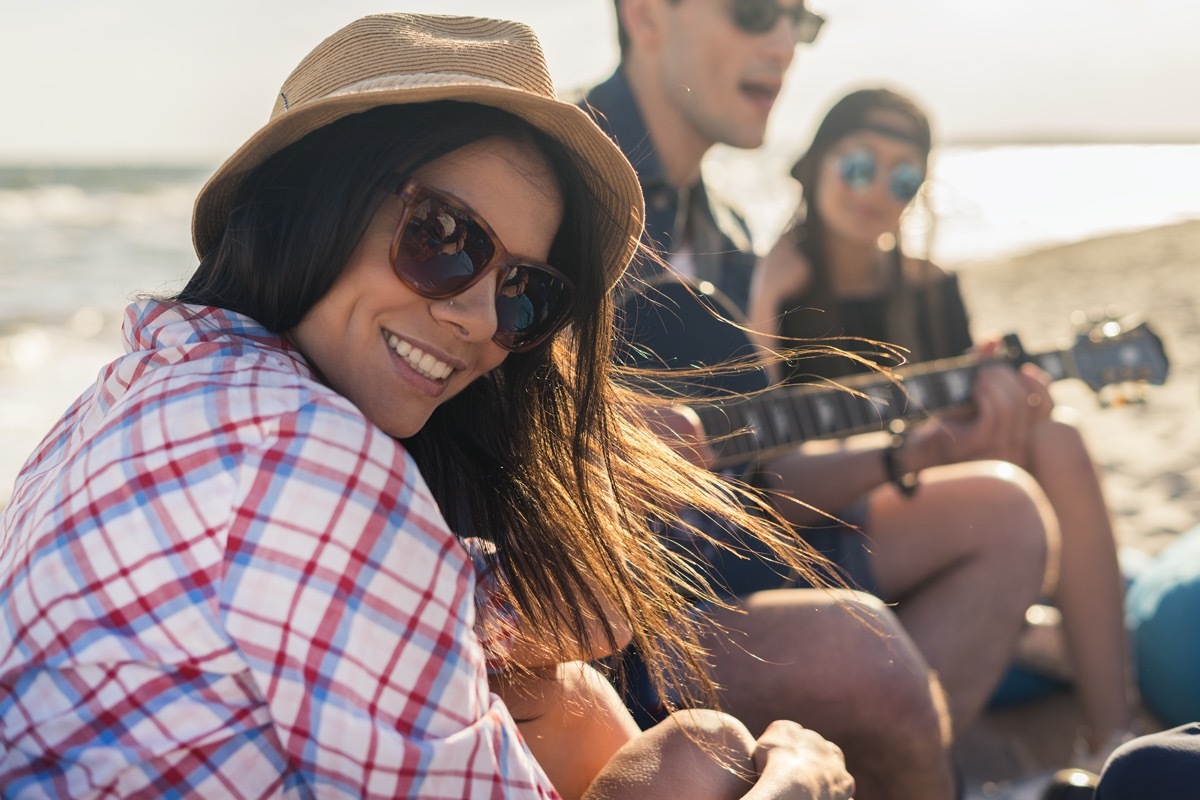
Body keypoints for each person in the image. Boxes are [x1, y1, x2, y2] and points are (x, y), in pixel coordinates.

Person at [0, 14, 856, 799]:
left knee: (564, 703)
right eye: (444, 237)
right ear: (317, 195)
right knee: (705, 753)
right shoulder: (314, 457)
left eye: (525, 291)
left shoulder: (132, 390)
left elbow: (590, 618)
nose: (483, 321)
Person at [582, 2, 1053, 798]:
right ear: (648, 13)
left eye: (797, 23)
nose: (781, 44)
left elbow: (764, 481)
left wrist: (914, 449)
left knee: (1008, 516)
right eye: (756, 11)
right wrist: (591, 443)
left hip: (728, 564)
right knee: (859, 645)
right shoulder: (560, 180)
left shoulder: (725, 226)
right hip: (609, 623)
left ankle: (899, 765)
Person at [747, 86, 1136, 761]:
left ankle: (1113, 739)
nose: (877, 192)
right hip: (828, 521)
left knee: (1058, 434)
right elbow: (753, 447)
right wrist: (763, 299)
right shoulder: (772, 286)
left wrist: (1003, 411)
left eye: (903, 178)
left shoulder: (931, 288)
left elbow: (958, 428)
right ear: (811, 165)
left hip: (930, 494)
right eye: (859, 165)